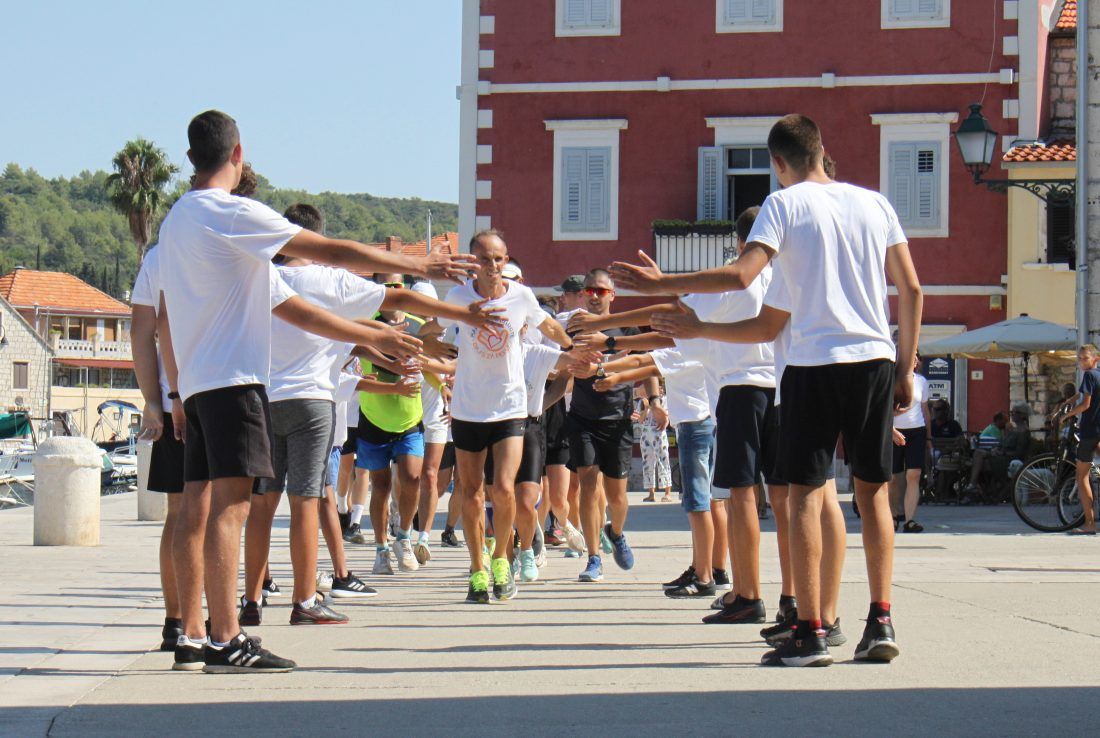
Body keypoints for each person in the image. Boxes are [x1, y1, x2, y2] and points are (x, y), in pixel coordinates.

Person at [158, 109, 474, 673]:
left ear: (189, 158)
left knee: (197, 511)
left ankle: (191, 633)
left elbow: (294, 308)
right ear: (238, 153)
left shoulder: (178, 222)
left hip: (198, 384)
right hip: (235, 385)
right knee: (231, 510)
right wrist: (411, 262)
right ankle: (227, 639)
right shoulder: (230, 214)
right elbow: (334, 251)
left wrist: (370, 338)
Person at [649, 114, 922, 666]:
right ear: (822, 149)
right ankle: (881, 618)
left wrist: (666, 283)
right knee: (872, 494)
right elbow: (912, 288)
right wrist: (905, 367)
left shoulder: (784, 205)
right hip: (874, 357)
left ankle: (810, 629)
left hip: (813, 363)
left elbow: (742, 276)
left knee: (804, 493)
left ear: (778, 164)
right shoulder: (875, 203)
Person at [439, 230, 571, 603]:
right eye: (484, 258)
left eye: (498, 258)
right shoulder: (458, 297)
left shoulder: (521, 297)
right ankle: (477, 568)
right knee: (470, 492)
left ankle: (501, 558)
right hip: (468, 407)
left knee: (504, 487)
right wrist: (437, 348)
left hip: (510, 405)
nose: (492, 266)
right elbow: (435, 331)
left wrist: (572, 346)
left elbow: (548, 326)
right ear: (472, 261)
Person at [566, 269, 652, 583]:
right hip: (582, 418)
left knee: (617, 496)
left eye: (601, 291)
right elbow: (562, 365)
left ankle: (614, 533)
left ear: (612, 296)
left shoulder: (626, 327)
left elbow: (647, 364)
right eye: (589, 290)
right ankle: (593, 558)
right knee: (588, 486)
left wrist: (654, 401)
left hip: (618, 419)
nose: (594, 295)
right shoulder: (573, 328)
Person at [1053, 344, 1100, 535]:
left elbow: (1085, 403)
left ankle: (1089, 524)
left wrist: (1065, 415)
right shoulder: (1096, 376)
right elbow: (1082, 393)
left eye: (1085, 358)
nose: (1081, 362)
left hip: (1090, 431)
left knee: (1082, 477)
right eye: (1079, 358)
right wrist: (1068, 401)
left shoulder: (1089, 375)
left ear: (1096, 359)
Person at [890, 354, 930, 533]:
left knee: (914, 475)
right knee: (893, 478)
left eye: (915, 358)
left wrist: (929, 438)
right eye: (909, 357)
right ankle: (893, 515)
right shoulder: (890, 378)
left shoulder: (921, 381)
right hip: (894, 431)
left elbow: (925, 410)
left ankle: (910, 519)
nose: (912, 361)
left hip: (917, 430)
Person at [637, 388, 673, 503]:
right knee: (647, 463)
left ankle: (667, 493)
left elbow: (666, 417)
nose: (659, 389)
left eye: (661, 387)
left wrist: (655, 405)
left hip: (659, 433)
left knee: (663, 461)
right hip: (645, 434)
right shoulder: (643, 402)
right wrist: (647, 407)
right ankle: (651, 493)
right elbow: (640, 420)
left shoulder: (665, 400)